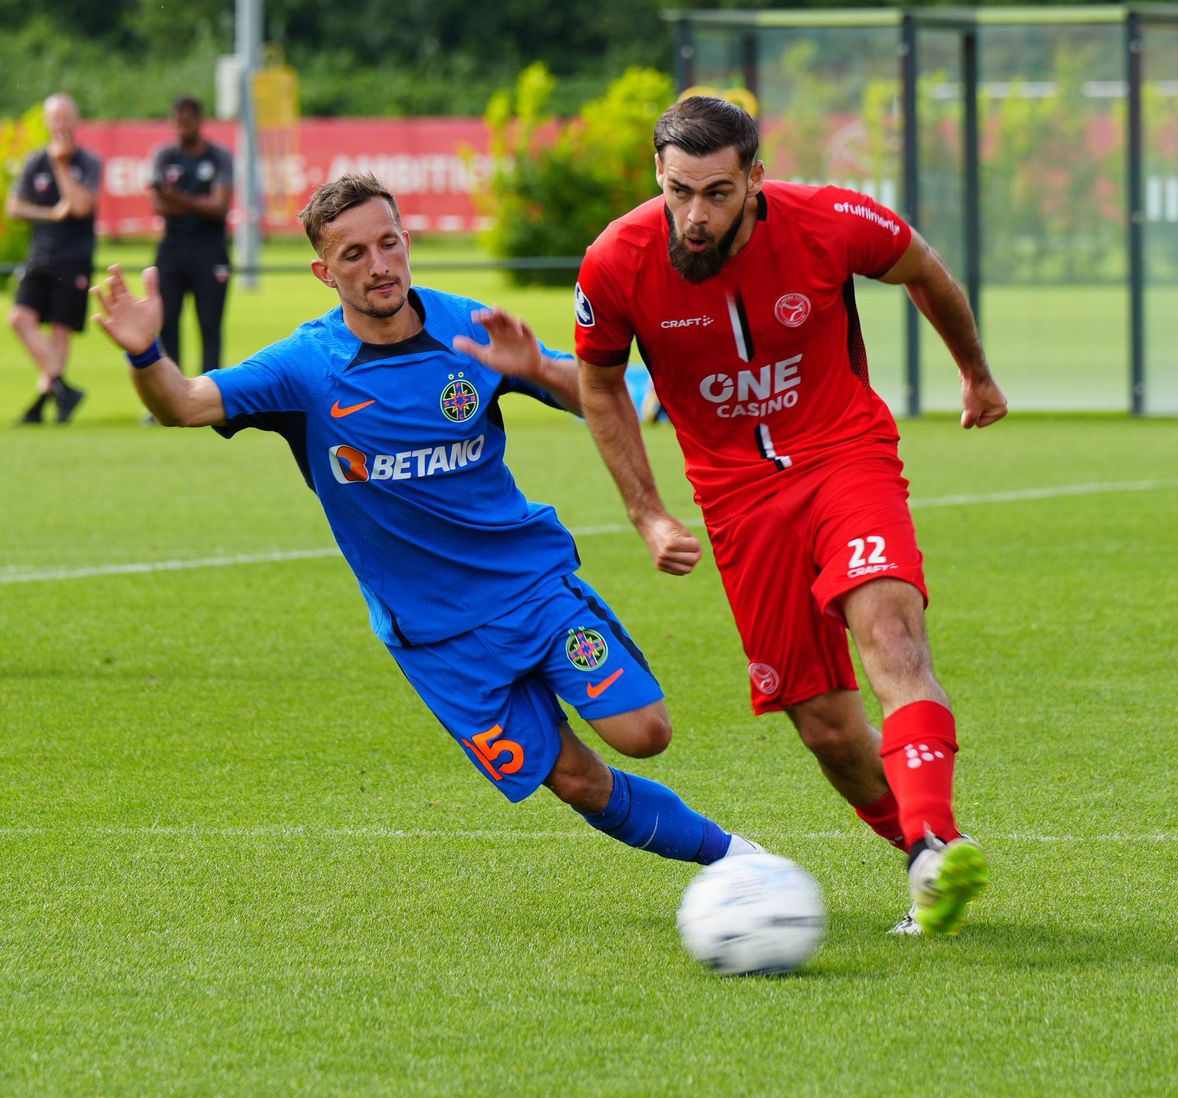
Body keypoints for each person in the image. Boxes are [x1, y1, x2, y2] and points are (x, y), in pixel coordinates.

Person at [91, 171, 761, 871]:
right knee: (576, 780)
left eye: (388, 243)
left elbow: (596, 389)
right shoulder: (305, 368)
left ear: (407, 241)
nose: (379, 265)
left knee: (644, 731)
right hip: (436, 634)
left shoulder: (466, 329)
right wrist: (145, 352)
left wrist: (534, 365)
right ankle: (743, 863)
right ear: (324, 271)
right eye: (354, 255)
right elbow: (184, 402)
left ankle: (740, 866)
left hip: (527, 586)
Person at [573, 96, 1009, 936]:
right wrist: (648, 512)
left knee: (892, 635)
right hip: (737, 499)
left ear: (757, 181)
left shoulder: (830, 220)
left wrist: (975, 374)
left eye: (718, 193)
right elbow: (598, 380)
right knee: (827, 724)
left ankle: (937, 845)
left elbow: (923, 268)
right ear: (656, 177)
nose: (694, 216)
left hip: (844, 453)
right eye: (678, 191)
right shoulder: (615, 261)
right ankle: (924, 850)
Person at [6, 93, 100, 424]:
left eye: (65, 117)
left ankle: (43, 405)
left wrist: (61, 165)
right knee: (19, 318)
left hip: (74, 257)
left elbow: (81, 207)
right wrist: (50, 213)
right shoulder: (35, 161)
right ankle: (63, 389)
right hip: (40, 255)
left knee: (61, 332)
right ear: (47, 121)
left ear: (75, 120)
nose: (59, 124)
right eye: (54, 118)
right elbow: (14, 207)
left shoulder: (87, 162)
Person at [148, 96, 234, 374]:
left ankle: (210, 391)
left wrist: (179, 198)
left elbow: (220, 208)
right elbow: (159, 204)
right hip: (172, 250)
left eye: (188, 122)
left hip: (210, 250)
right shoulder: (165, 156)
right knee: (167, 321)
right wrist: (200, 202)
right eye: (178, 123)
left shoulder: (218, 156)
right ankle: (171, 391)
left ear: (199, 120)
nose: (183, 128)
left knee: (209, 324)